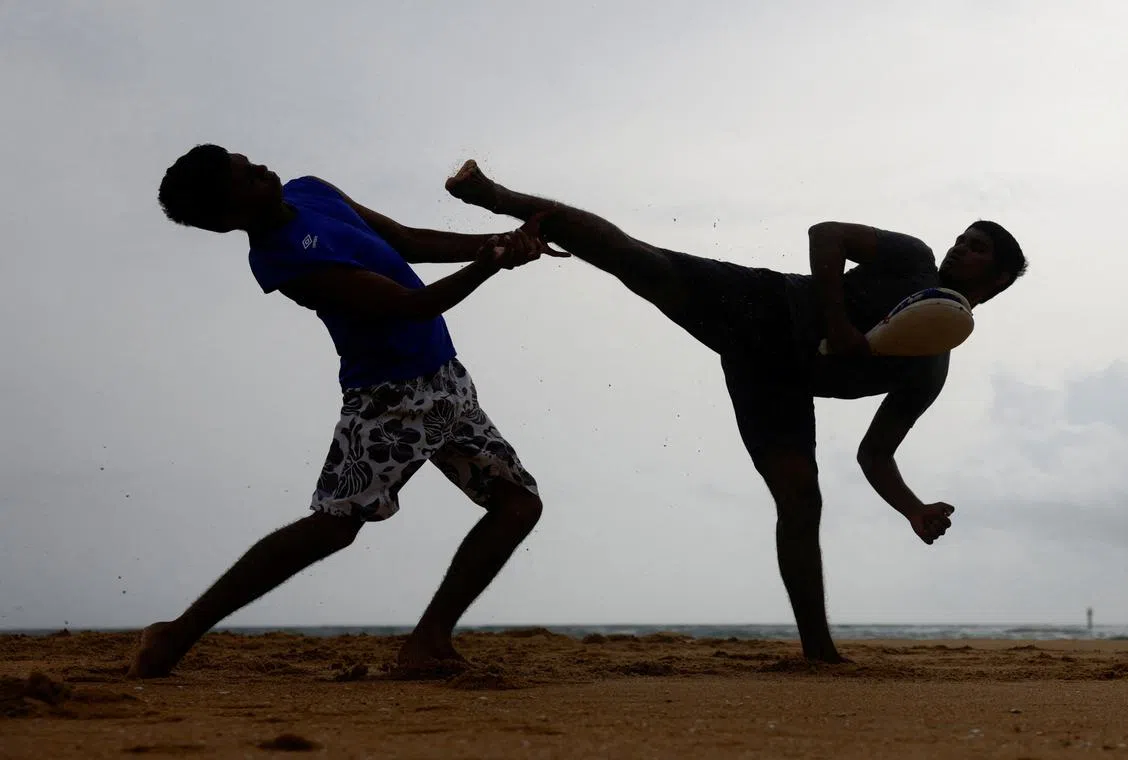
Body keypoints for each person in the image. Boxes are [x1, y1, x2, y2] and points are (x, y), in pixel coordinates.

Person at [444, 159, 1027, 663]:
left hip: (774, 381)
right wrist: (838, 322)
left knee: (802, 499)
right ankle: (496, 197)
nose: (959, 247)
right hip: (760, 307)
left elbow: (875, 454)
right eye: (964, 237)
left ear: (998, 280)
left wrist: (913, 509)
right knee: (635, 259)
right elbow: (827, 235)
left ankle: (818, 651)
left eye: (977, 249)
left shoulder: (929, 369)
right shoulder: (912, 259)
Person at [128, 145, 557, 678]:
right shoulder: (280, 259)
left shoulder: (311, 190)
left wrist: (498, 242)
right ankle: (176, 635)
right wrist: (493, 263)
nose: (259, 167)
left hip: (445, 381)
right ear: (227, 216)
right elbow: (410, 306)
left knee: (518, 505)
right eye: (244, 176)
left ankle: (428, 643)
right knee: (334, 526)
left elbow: (407, 242)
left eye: (247, 160)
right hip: (389, 399)